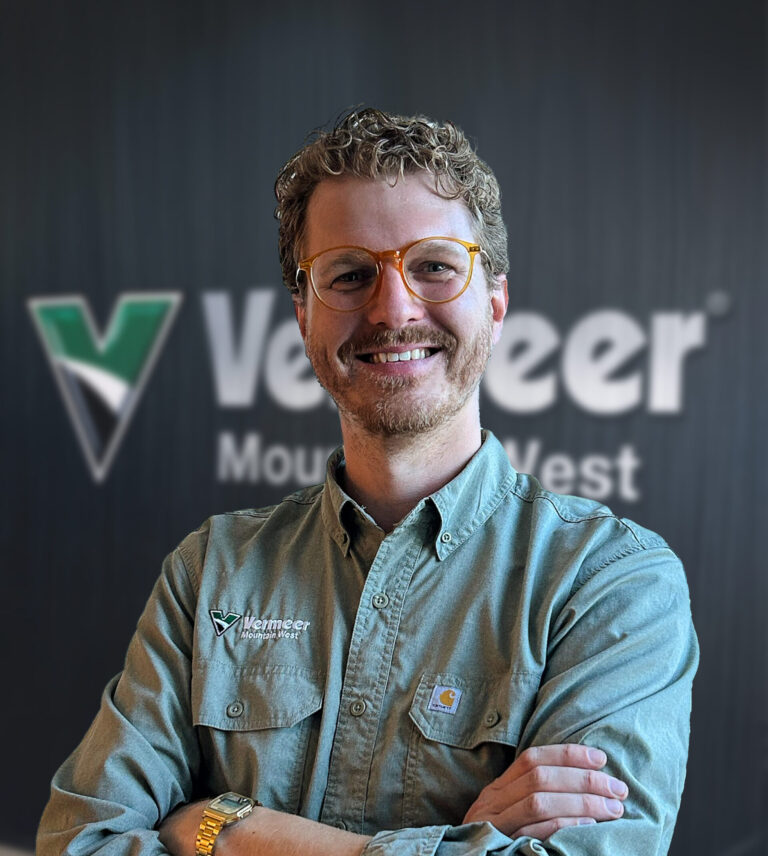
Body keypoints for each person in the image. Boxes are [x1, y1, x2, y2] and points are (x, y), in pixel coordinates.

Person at [38, 108, 698, 856]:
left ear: (495, 301)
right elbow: (80, 841)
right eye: (349, 275)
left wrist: (223, 829)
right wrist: (458, 843)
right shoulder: (210, 572)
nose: (393, 308)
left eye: (436, 266)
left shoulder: (610, 583)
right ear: (304, 317)